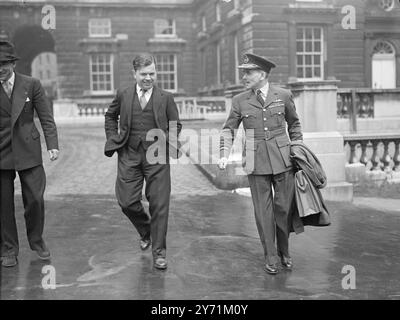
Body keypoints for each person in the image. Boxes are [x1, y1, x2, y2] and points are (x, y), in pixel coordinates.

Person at [218, 53, 303, 274]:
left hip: (284, 160)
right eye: (243, 72)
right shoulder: (239, 100)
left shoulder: (283, 95)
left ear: (262, 74)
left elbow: (294, 125)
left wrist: (298, 147)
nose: (244, 76)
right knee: (262, 212)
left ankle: (284, 249)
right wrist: (223, 153)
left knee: (283, 209)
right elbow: (229, 130)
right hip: (255, 161)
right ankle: (271, 255)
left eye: (248, 72)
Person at [104, 53, 181, 270]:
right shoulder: (124, 94)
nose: (148, 78)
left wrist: (171, 144)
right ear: (134, 74)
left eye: (152, 73)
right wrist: (113, 138)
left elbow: (176, 124)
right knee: (126, 201)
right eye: (144, 74)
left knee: (159, 204)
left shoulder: (165, 97)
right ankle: (146, 230)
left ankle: (159, 252)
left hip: (157, 155)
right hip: (129, 153)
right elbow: (110, 116)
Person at [0, 40, 59, 268]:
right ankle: (8, 249)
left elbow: (46, 117)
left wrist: (52, 144)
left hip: (28, 149)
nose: (0, 69)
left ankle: (36, 240)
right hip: (2, 151)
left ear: (13, 64)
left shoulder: (31, 84)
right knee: (3, 205)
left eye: (4, 64)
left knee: (35, 199)